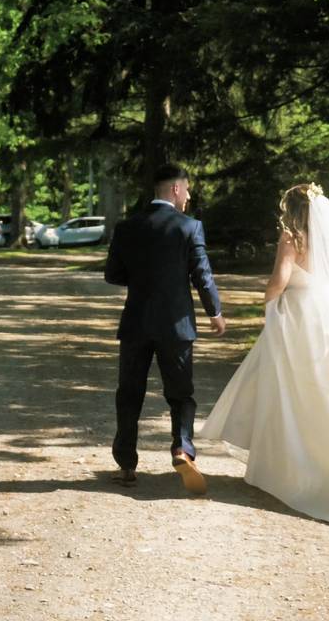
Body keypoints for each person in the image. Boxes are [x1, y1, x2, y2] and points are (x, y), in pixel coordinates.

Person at [199, 184, 329, 528]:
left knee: (293, 391)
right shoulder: (328, 236)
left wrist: (269, 305)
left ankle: (295, 466)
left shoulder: (292, 236)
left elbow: (280, 279)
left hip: (301, 314)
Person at [104, 163, 227, 494]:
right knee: (181, 395)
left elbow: (112, 275)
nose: (188, 196)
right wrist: (214, 311)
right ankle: (182, 449)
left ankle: (127, 465)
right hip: (177, 325)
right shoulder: (189, 227)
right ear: (175, 189)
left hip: (136, 323)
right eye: (186, 189)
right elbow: (202, 274)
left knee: (129, 394)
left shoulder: (127, 227)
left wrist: (144, 278)